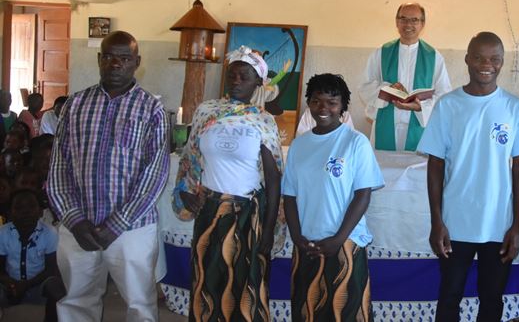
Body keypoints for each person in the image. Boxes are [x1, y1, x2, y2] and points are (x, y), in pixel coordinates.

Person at [46, 30, 170, 322]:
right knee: (76, 301)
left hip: (131, 230)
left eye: (124, 58)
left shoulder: (151, 109)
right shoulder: (75, 105)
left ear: (136, 62)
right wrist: (74, 220)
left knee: (140, 304)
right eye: (109, 57)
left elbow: (154, 174)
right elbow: (58, 167)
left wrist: (116, 224)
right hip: (80, 227)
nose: (116, 64)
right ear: (99, 59)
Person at [417, 32, 519, 322]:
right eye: (480, 58)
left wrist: (517, 226)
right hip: (455, 223)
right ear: (467, 59)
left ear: (502, 63)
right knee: (449, 296)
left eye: (494, 59)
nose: (487, 65)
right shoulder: (448, 105)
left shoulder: (515, 108)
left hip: (498, 224)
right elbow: (435, 165)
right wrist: (437, 221)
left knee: (492, 298)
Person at [173, 45, 282, 322]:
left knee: (245, 286)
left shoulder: (263, 120)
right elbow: (190, 159)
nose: (236, 82)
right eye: (232, 75)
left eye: (244, 77)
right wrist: (186, 193)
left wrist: (268, 230)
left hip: (246, 214)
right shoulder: (206, 112)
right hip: (209, 211)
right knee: (207, 281)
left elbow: (273, 179)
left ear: (258, 82)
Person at [283, 74, 384, 321]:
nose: (324, 108)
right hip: (307, 243)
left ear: (343, 107)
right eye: (317, 101)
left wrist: (338, 239)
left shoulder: (355, 142)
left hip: (345, 243)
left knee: (345, 311)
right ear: (309, 103)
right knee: (307, 309)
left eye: (332, 102)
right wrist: (297, 237)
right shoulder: (299, 145)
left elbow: (363, 195)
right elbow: (289, 196)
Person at [358, 2, 451, 151]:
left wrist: (420, 106)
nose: (408, 24)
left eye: (414, 20)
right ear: (396, 21)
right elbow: (365, 86)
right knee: (384, 171)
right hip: (386, 125)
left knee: (415, 172)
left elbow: (444, 94)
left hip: (418, 128)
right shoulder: (381, 52)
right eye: (403, 19)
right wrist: (387, 89)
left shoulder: (434, 57)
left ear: (423, 23)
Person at [0, 188, 65, 322]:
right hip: (10, 286)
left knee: (56, 286)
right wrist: (12, 284)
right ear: (10, 212)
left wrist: (26, 285)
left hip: (38, 286)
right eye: (18, 207)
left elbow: (51, 269)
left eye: (31, 206)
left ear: (40, 211)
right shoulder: (3, 233)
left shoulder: (49, 233)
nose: (26, 212)